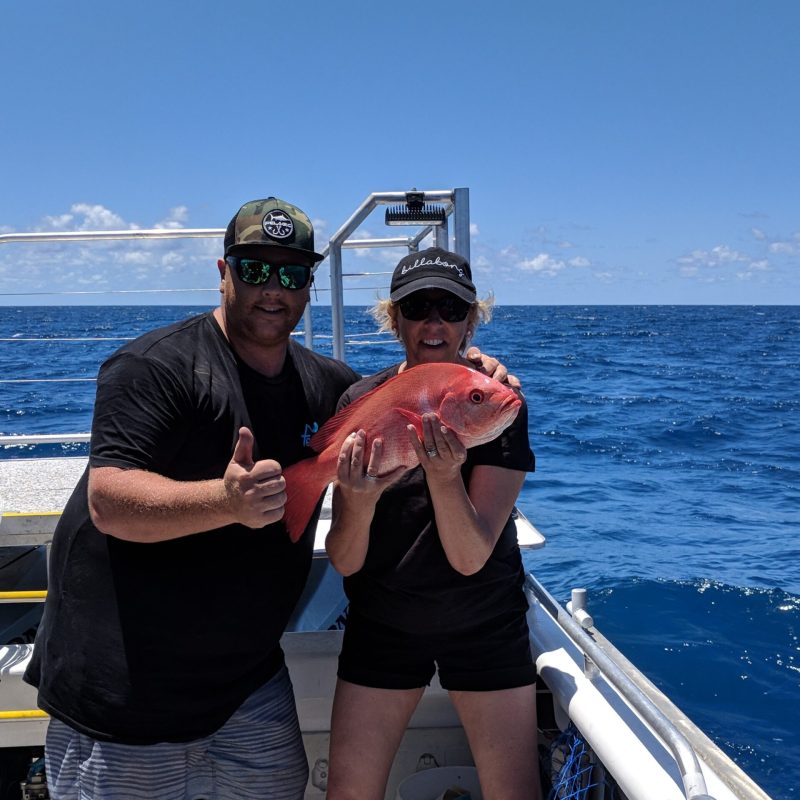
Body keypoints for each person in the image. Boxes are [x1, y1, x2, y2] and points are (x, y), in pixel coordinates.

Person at [24, 199, 512, 800]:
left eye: (290, 273)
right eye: (255, 269)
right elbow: (108, 500)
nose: (272, 289)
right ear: (223, 270)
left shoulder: (324, 385)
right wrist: (224, 503)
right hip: (126, 698)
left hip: (248, 689)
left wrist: (478, 377)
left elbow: (398, 396)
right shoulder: (154, 367)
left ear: (309, 285)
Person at [325, 247, 542, 800]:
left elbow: (472, 558)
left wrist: (445, 478)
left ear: (472, 319)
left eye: (451, 308)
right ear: (394, 318)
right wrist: (360, 498)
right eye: (419, 307)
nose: (435, 322)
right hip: (384, 622)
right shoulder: (361, 402)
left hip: (485, 622)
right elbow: (345, 560)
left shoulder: (495, 404)